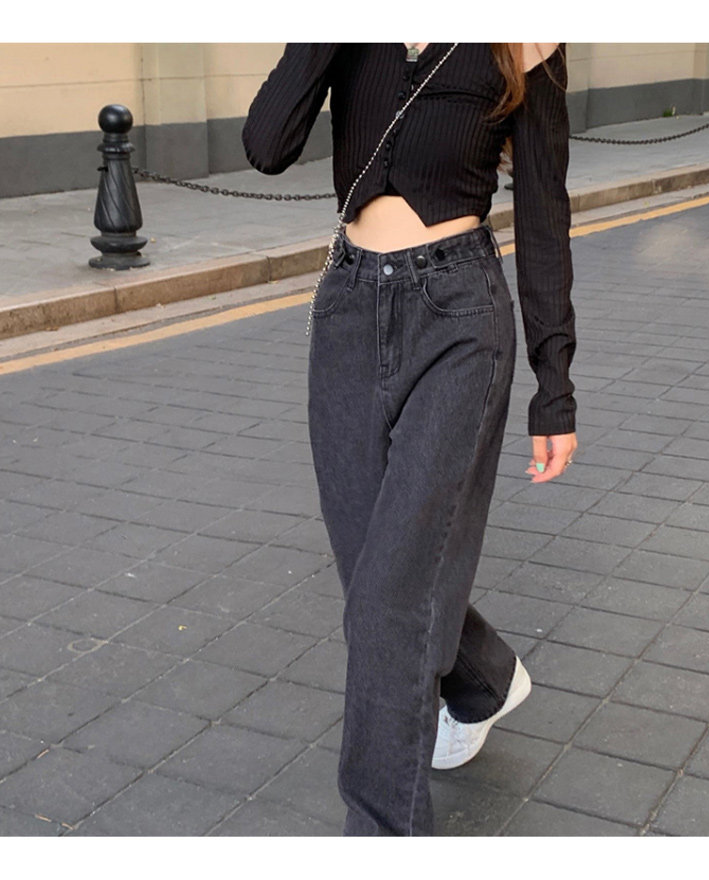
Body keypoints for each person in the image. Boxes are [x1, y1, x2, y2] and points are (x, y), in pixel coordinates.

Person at [242, 42, 578, 837]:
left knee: (388, 603)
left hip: (460, 320)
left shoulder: (521, 39)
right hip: (348, 311)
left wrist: (554, 386)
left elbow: (543, 212)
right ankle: (482, 677)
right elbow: (266, 146)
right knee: (376, 576)